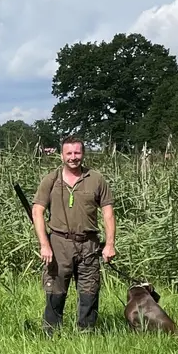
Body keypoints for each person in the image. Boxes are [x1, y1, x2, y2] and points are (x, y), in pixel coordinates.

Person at [31, 136, 117, 333]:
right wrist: (44, 244)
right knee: (55, 292)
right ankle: (51, 335)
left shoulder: (96, 179)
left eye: (77, 152)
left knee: (89, 292)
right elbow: (37, 211)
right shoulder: (51, 180)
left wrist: (110, 244)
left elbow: (108, 213)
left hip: (89, 245)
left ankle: (86, 336)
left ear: (83, 154)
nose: (73, 157)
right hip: (59, 243)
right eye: (69, 153)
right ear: (61, 155)